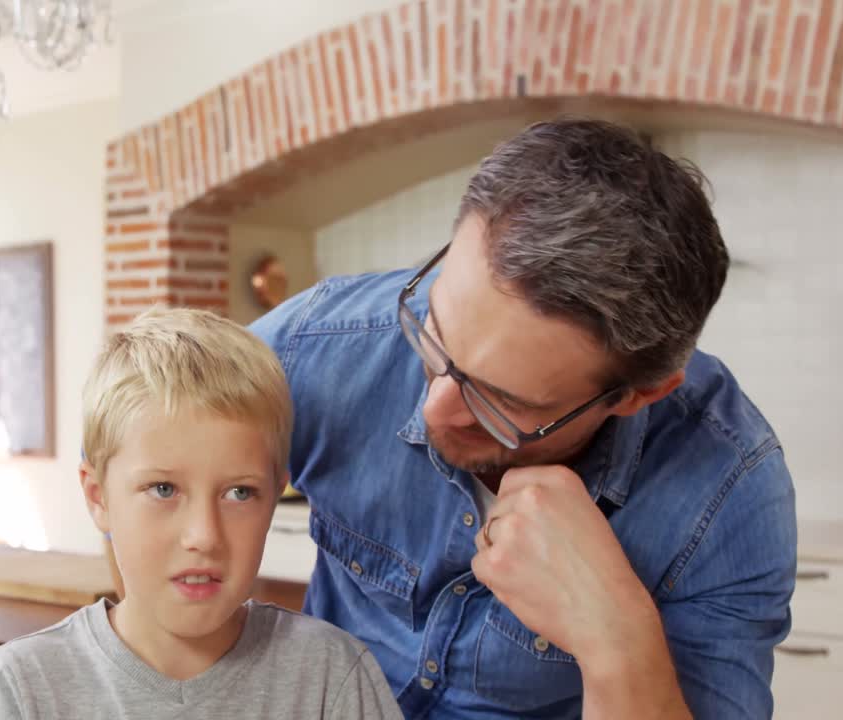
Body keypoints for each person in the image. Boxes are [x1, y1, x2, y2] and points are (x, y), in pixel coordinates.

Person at [249, 118, 797, 719]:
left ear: (636, 395)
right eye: (433, 334)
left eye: (502, 401)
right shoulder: (321, 343)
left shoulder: (728, 491)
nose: (434, 409)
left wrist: (616, 636)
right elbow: (139, 475)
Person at [0, 307, 403, 720]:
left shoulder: (332, 678)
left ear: (272, 500)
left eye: (239, 492)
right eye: (163, 489)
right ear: (99, 497)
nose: (204, 536)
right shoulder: (24, 688)